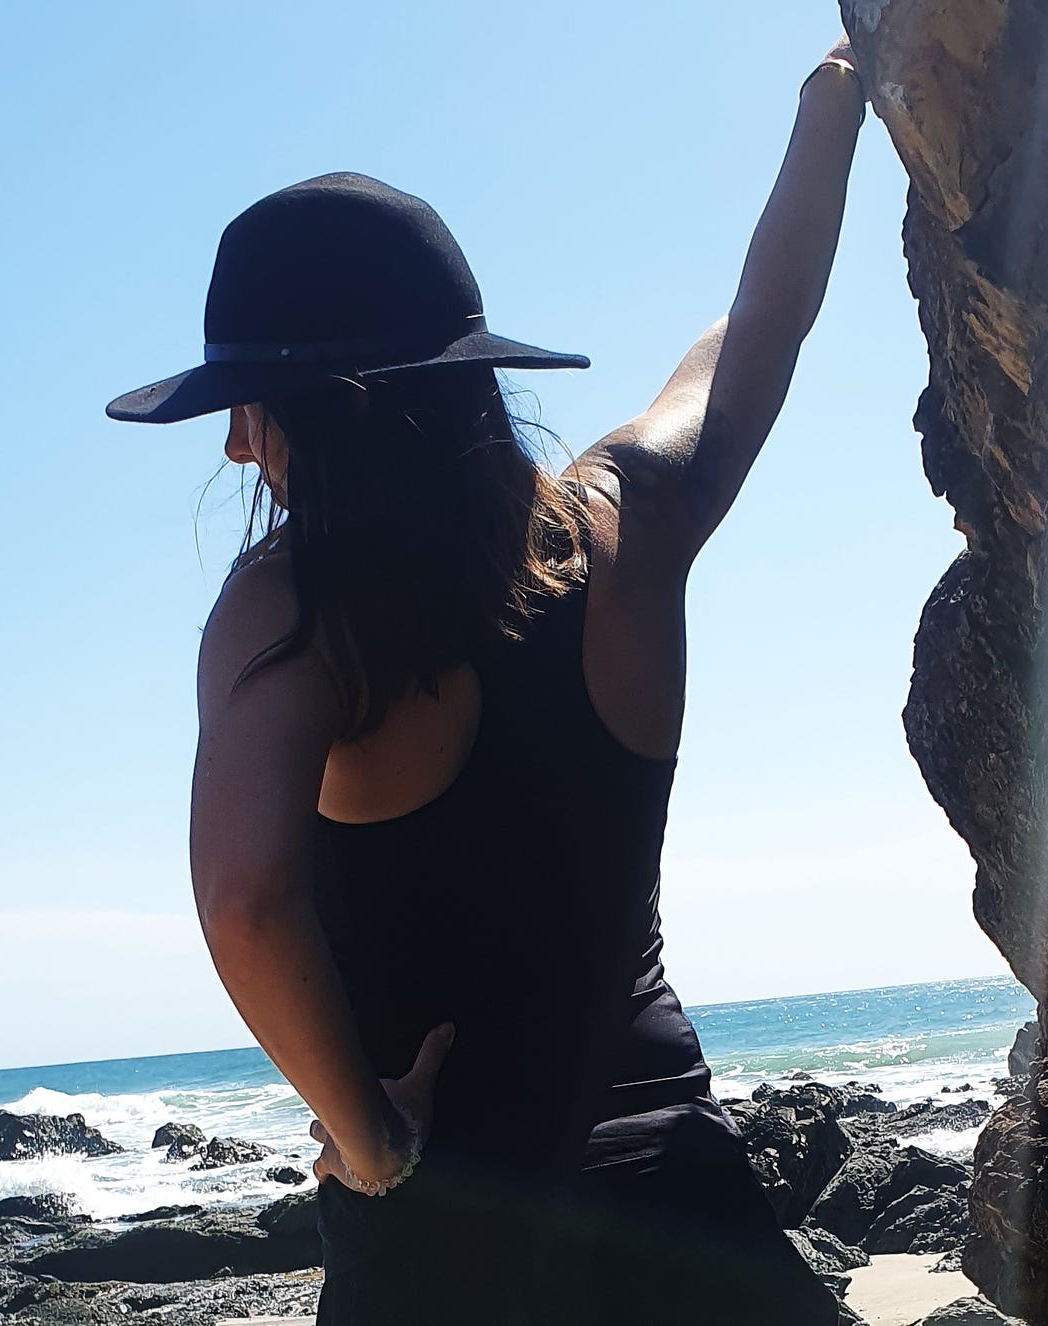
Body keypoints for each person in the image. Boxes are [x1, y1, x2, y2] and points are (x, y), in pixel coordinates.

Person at [107, 30, 866, 1326]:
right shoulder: (626, 521)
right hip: (687, 1214)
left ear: (337, 402)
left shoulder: (293, 608)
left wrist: (370, 1133)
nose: (238, 445)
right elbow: (758, 332)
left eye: (253, 402)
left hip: (453, 1249)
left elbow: (244, 900)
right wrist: (836, 105)